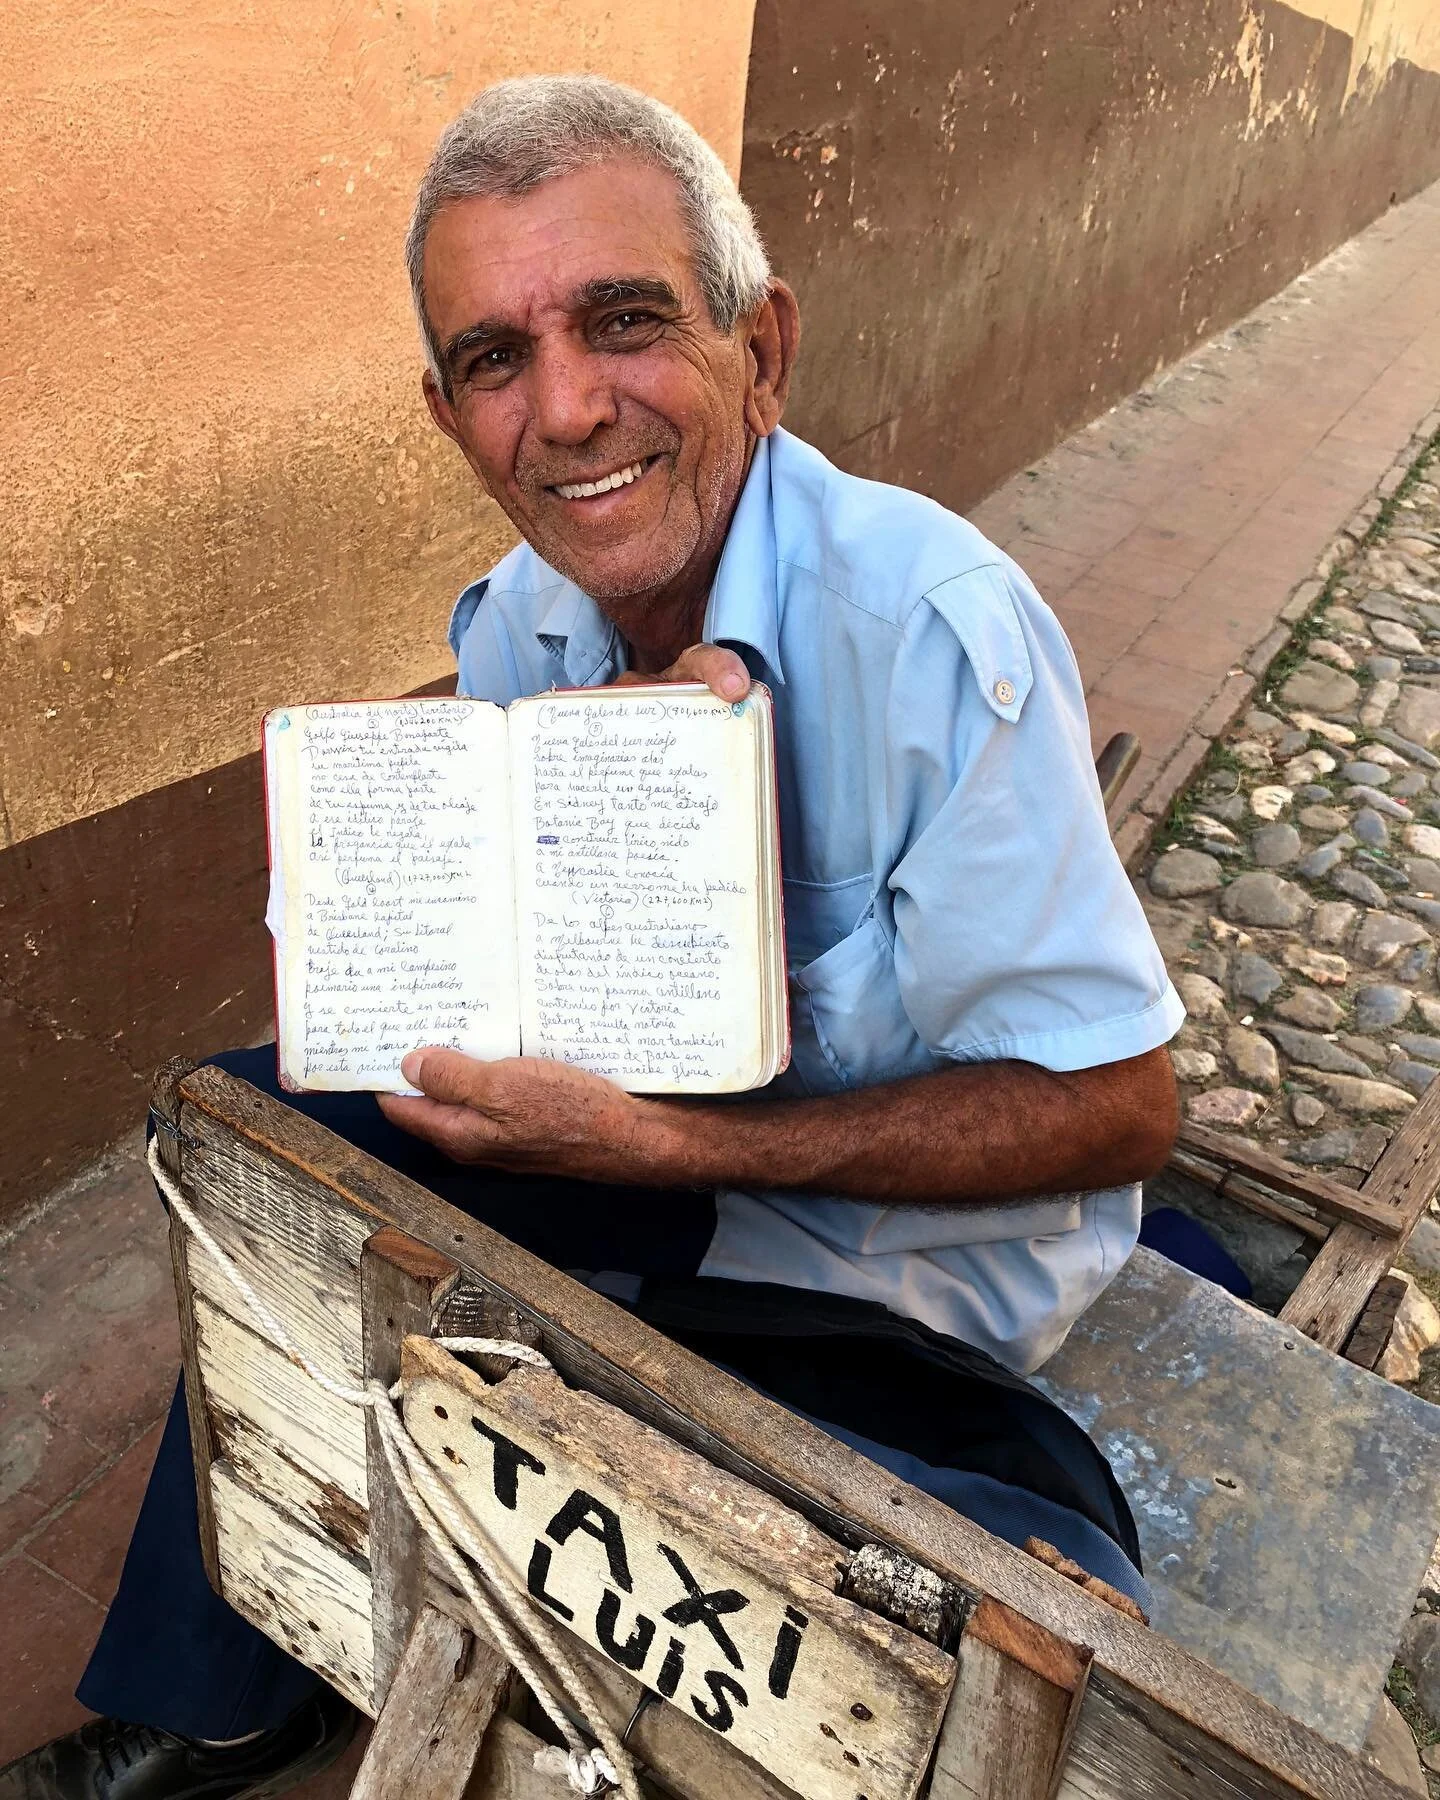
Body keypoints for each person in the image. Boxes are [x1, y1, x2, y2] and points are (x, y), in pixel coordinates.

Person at [3, 75, 1183, 1800]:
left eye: (623, 321)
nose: (564, 409)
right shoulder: (523, 624)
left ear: (761, 346)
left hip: (890, 1261)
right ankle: (228, 1687)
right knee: (279, 1136)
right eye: (495, 358)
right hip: (636, 1166)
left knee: (787, 1569)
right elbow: (529, 1008)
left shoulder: (931, 629)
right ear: (446, 414)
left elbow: (1122, 1106)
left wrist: (658, 1143)